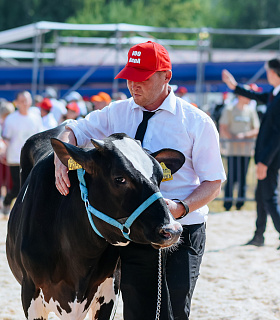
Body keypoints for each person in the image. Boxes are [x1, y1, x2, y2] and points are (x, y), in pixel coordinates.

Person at [54, 41, 226, 319]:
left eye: (143, 78)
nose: (134, 85)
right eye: (129, 78)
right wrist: (59, 159)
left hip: (182, 228)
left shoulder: (197, 122)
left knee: (173, 312)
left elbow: (213, 183)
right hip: (135, 229)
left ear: (165, 76)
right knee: (137, 312)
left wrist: (180, 208)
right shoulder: (117, 112)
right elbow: (74, 128)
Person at [222, 59, 280, 249]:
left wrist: (264, 161)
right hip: (265, 155)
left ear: (274, 72)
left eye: (268, 71)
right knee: (261, 195)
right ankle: (258, 235)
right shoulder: (274, 94)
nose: (267, 74)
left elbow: (278, 135)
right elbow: (255, 95)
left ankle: (266, 234)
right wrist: (234, 86)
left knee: (269, 196)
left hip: (270, 157)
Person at [1, 91, 43, 215]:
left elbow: (40, 137)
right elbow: (6, 139)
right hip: (15, 158)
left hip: (32, 158)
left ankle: (26, 211)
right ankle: (7, 202)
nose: (25, 103)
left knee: (31, 185)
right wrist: (3, 151)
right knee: (18, 187)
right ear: (17, 103)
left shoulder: (36, 117)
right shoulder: (11, 119)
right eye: (22, 101)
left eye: (27, 100)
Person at [219, 85, 260, 211]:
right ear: (241, 95)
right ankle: (227, 203)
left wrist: (244, 136)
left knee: (243, 177)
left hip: (246, 151)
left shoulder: (251, 110)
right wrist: (233, 137)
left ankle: (240, 203)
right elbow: (223, 127)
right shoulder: (229, 109)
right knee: (231, 177)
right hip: (232, 151)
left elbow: (257, 128)